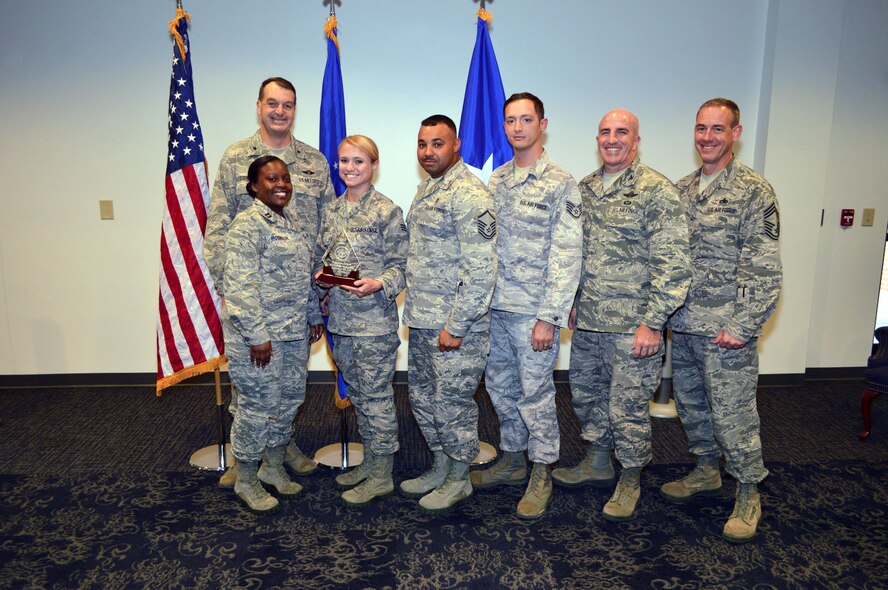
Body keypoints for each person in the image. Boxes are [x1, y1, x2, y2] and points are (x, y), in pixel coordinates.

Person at [553, 109, 691, 522]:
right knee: (587, 396)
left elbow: (674, 264)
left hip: (634, 328)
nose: (611, 139)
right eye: (605, 132)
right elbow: (575, 252)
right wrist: (573, 299)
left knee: (627, 409)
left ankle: (630, 477)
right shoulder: (587, 188)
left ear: (636, 139)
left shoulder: (655, 190)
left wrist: (654, 322)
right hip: (591, 322)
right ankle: (598, 462)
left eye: (621, 132)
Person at [205, 77, 336, 487]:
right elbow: (218, 229)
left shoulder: (314, 161)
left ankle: (277, 456)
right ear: (259, 106)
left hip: (298, 304)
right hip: (256, 305)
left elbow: (326, 232)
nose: (280, 111)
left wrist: (317, 299)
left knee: (287, 391)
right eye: (273, 104)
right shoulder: (236, 158)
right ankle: (246, 465)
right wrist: (235, 296)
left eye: (289, 105)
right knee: (254, 394)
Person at [662, 98, 782, 543]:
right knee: (692, 408)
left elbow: (764, 266)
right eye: (701, 128)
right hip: (686, 323)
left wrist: (742, 325)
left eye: (717, 129)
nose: (707, 137)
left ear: (736, 133)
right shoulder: (681, 189)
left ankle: (749, 492)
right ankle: (706, 470)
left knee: (734, 416)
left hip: (725, 330)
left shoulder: (754, 191)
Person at [470, 93, 582, 519]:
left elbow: (568, 253)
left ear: (542, 124)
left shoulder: (560, 182)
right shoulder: (496, 180)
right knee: (501, 388)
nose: (517, 128)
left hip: (534, 311)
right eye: (511, 121)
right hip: (495, 307)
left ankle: (541, 469)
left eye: (526, 120)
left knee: (535, 393)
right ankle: (513, 458)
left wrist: (550, 316)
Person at [399, 115, 497, 514]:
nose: (428, 152)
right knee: (423, 399)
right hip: (423, 320)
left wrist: (457, 325)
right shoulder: (428, 189)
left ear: (456, 145)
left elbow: (481, 269)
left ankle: (459, 478)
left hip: (456, 327)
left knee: (452, 404)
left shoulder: (470, 195)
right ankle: (441, 466)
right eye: (422, 144)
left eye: (437, 143)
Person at [222, 156, 324, 513]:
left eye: (285, 178)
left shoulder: (291, 221)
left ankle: (273, 467)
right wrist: (256, 335)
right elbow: (239, 287)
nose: (281, 184)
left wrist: (312, 315)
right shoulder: (246, 226)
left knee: (288, 403)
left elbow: (304, 275)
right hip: (260, 340)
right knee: (256, 409)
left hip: (292, 334)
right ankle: (247, 479)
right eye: (271, 179)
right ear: (253, 186)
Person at [314, 135, 407, 506]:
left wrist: (380, 283)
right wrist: (321, 280)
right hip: (341, 322)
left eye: (358, 161)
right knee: (360, 399)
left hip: (374, 324)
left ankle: (383, 474)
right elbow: (325, 258)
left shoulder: (387, 211)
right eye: (344, 161)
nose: (349, 168)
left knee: (377, 398)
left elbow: (403, 266)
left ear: (373, 166)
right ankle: (371, 462)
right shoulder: (332, 211)